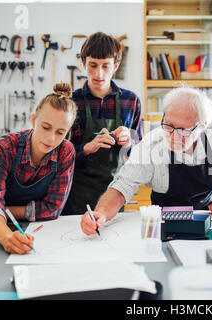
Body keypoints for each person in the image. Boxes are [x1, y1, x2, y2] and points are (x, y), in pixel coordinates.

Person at [80, 86, 212, 235]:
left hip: (207, 216)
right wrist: (100, 213)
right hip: (165, 220)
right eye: (168, 125)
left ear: (202, 126)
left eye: (183, 130)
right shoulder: (152, 145)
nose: (173, 137)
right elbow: (123, 186)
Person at [0, 83, 77, 254]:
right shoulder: (3, 148)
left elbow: (52, 208)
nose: (51, 138)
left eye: (60, 132)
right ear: (34, 119)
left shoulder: (65, 152)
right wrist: (7, 237)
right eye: (46, 127)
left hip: (35, 230)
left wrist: (4, 210)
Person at [61, 31, 142, 216]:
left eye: (106, 66)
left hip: (115, 193)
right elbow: (57, 155)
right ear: (83, 64)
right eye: (93, 65)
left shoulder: (131, 101)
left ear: (116, 66)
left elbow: (140, 154)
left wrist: (129, 143)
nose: (99, 73)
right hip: (76, 195)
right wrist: (86, 149)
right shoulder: (70, 103)